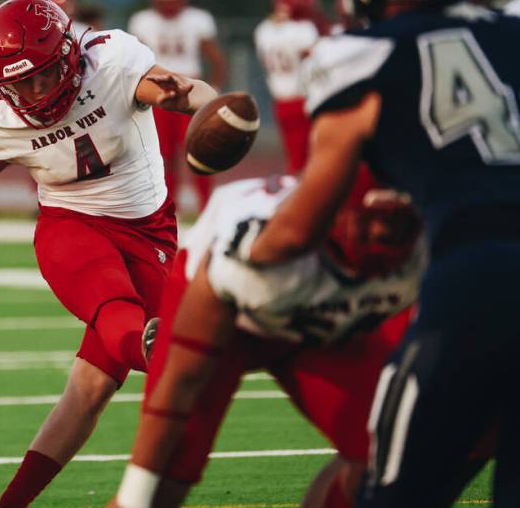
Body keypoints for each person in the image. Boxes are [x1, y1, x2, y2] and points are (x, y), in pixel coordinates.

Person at [212, 0, 520, 507]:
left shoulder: (357, 55)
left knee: (392, 490)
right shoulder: (512, 30)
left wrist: (245, 250)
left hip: (477, 278)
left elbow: (305, 224)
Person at [0, 0, 219, 507]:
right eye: (21, 82)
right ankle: (146, 346)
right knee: (117, 310)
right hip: (71, 224)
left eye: (44, 74)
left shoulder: (110, 61)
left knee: (89, 391)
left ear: (69, 54)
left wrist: (214, 105)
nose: (37, 92)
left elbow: (178, 91)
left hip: (149, 231)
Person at [108, 171, 425, 508]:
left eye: (397, 226)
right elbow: (181, 382)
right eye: (369, 225)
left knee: (390, 455)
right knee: (161, 486)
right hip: (232, 322)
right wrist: (135, 495)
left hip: (325, 327)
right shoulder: (256, 256)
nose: (381, 234)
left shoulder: (427, 251)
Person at [127, 0, 227, 211]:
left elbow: (215, 58)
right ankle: (168, 207)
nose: (169, 6)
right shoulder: (142, 21)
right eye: (165, 0)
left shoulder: (197, 19)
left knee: (199, 151)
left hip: (191, 88)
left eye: (173, 0)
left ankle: (206, 208)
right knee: (161, 155)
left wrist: (213, 88)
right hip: (157, 93)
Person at [253, 0, 325, 173]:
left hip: (280, 101)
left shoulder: (264, 30)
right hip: (304, 100)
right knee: (309, 158)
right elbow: (317, 60)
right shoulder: (303, 30)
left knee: (295, 157)